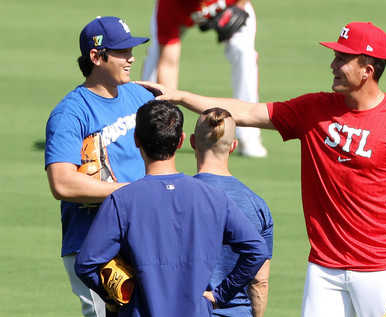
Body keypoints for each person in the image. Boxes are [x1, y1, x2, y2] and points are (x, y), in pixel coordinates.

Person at [136, 21, 386, 316]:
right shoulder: (313, 110)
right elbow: (247, 111)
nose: (333, 64)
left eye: (342, 59)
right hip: (323, 268)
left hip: (381, 269)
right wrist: (179, 96)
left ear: (367, 71)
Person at [74, 100, 269, 316]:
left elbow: (86, 264)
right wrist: (220, 295)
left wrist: (114, 297)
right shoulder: (215, 198)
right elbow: (256, 249)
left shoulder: (121, 200)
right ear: (181, 141)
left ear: (136, 140)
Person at [44, 16, 155, 317]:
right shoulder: (70, 113)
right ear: (96, 56)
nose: (132, 57)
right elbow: (62, 184)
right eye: (121, 51)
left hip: (142, 236)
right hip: (95, 247)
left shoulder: (140, 95)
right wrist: (132, 192)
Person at [140, 0, 268, 158]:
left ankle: (248, 134)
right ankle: (147, 128)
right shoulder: (169, 5)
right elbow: (169, 64)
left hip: (229, 5)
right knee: (155, 58)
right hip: (180, 14)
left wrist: (240, 5)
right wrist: (168, 118)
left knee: (244, 53)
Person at [191, 108, 274, 316]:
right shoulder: (256, 204)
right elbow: (260, 281)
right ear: (233, 146)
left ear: (193, 142)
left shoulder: (175, 197)